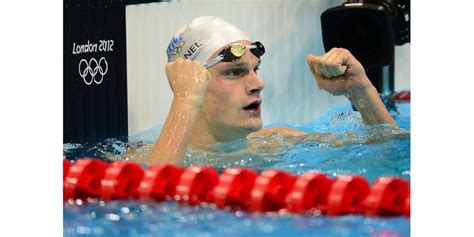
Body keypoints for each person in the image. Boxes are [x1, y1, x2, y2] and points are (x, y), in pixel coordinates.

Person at [148, 16, 396, 164]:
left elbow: (388, 152)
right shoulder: (138, 160)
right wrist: (184, 99)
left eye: (256, 69)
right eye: (234, 72)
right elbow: (151, 203)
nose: (257, 84)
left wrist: (361, 91)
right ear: (192, 83)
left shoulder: (278, 141)